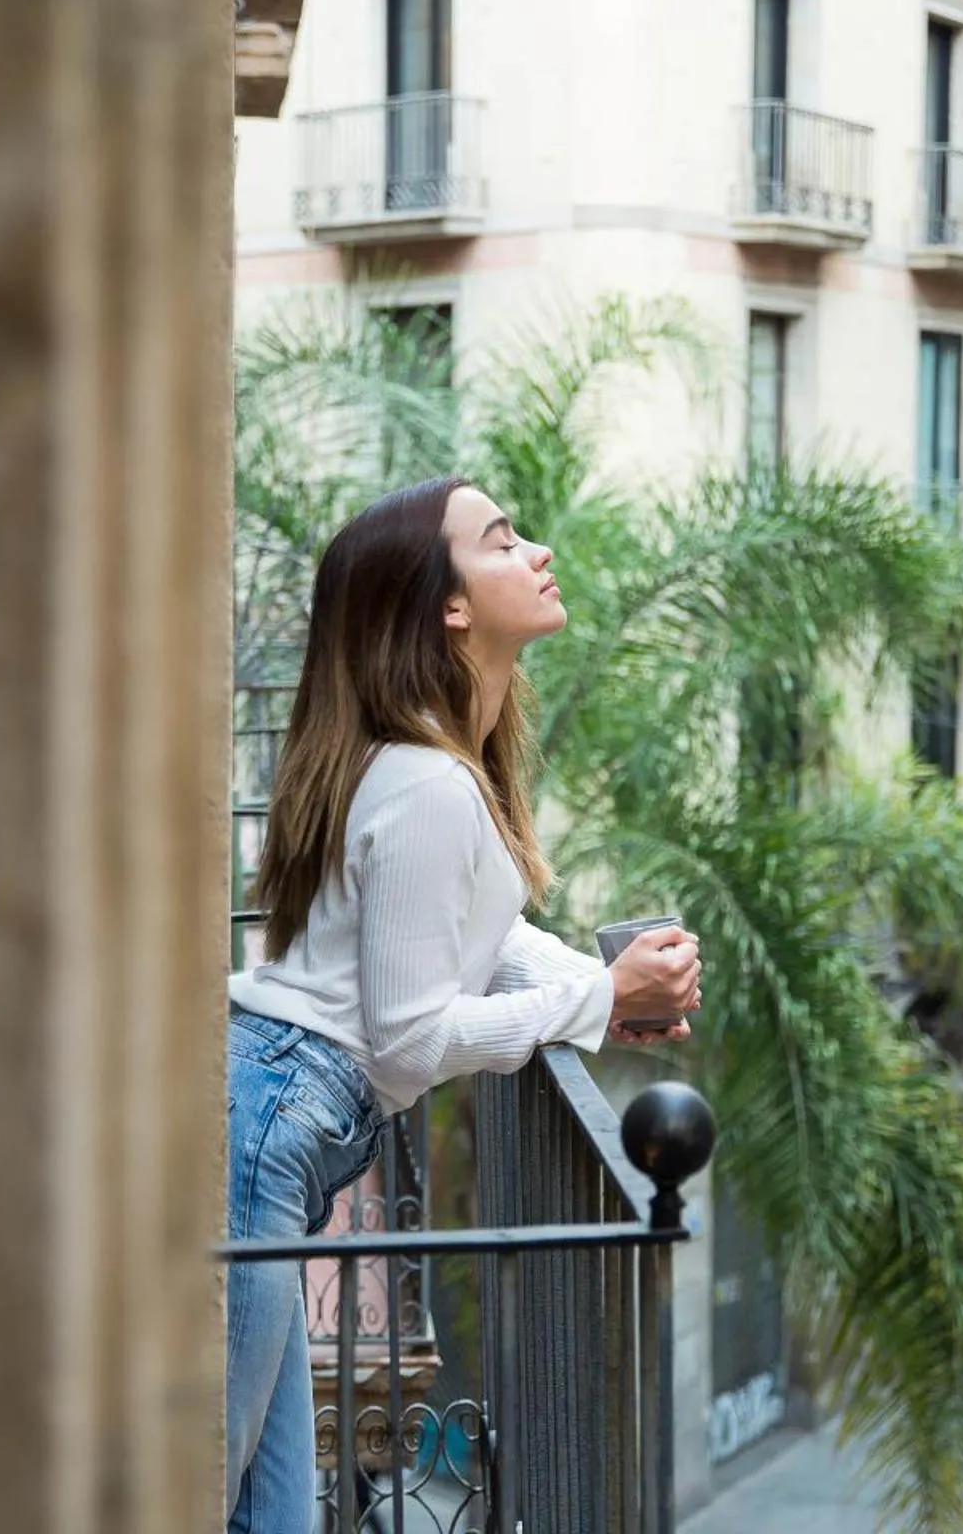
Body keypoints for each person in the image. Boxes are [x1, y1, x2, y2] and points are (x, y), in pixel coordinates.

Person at [223, 476, 705, 1532]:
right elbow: (413, 1036)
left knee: (274, 1512)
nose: (535, 550)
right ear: (449, 606)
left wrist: (600, 997)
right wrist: (598, 995)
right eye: (501, 540)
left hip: (272, 1129)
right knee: (206, 1485)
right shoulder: (427, 784)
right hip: (264, 1130)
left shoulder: (429, 765)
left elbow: (484, 941)